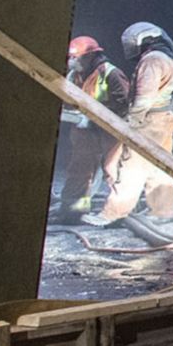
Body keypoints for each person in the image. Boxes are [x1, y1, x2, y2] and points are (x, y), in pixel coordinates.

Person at [92, 21, 173, 224]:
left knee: (130, 167)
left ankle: (113, 214)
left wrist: (132, 123)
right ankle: (162, 211)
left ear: (141, 41)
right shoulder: (167, 57)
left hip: (150, 120)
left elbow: (144, 97)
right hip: (166, 117)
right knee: (159, 166)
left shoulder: (152, 60)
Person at [57, 35, 128, 217]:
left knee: (114, 171)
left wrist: (96, 116)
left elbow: (124, 104)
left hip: (109, 131)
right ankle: (74, 210)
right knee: (80, 169)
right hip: (84, 132)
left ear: (90, 56)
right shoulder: (74, 75)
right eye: (70, 58)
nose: (72, 62)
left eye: (76, 57)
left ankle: (118, 213)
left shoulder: (111, 73)